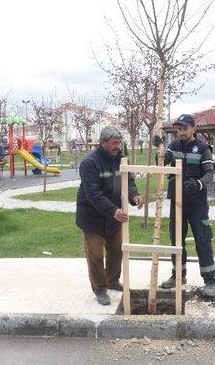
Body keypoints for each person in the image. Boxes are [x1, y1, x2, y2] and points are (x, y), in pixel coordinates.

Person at [76, 126, 144, 305]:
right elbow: (93, 194)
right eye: (114, 143)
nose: (117, 146)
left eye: (119, 143)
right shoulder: (90, 163)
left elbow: (128, 180)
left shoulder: (121, 159)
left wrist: (134, 195)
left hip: (114, 215)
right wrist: (113, 211)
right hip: (92, 217)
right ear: (103, 143)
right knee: (96, 255)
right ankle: (100, 289)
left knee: (116, 250)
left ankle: (112, 281)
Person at [155, 114, 215, 297]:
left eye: (184, 129)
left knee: (203, 240)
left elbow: (209, 174)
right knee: (176, 241)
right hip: (177, 202)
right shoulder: (173, 147)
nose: (180, 132)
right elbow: (160, 163)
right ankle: (178, 276)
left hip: (197, 204)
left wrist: (197, 184)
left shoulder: (203, 149)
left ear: (193, 129)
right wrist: (159, 147)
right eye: (178, 129)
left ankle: (210, 281)